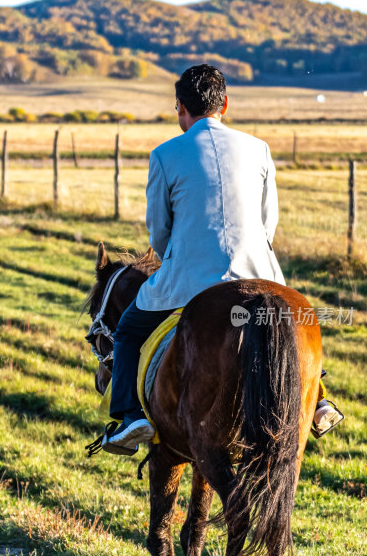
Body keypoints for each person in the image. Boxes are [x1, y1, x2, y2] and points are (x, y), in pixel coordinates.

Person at [103, 64, 343, 453]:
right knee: (287, 326)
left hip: (189, 278)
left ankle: (128, 420)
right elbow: (269, 224)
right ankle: (318, 398)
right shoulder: (259, 148)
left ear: (180, 107)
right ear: (225, 104)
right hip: (260, 272)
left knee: (129, 329)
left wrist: (173, 258)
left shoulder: (163, 155)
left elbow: (159, 232)